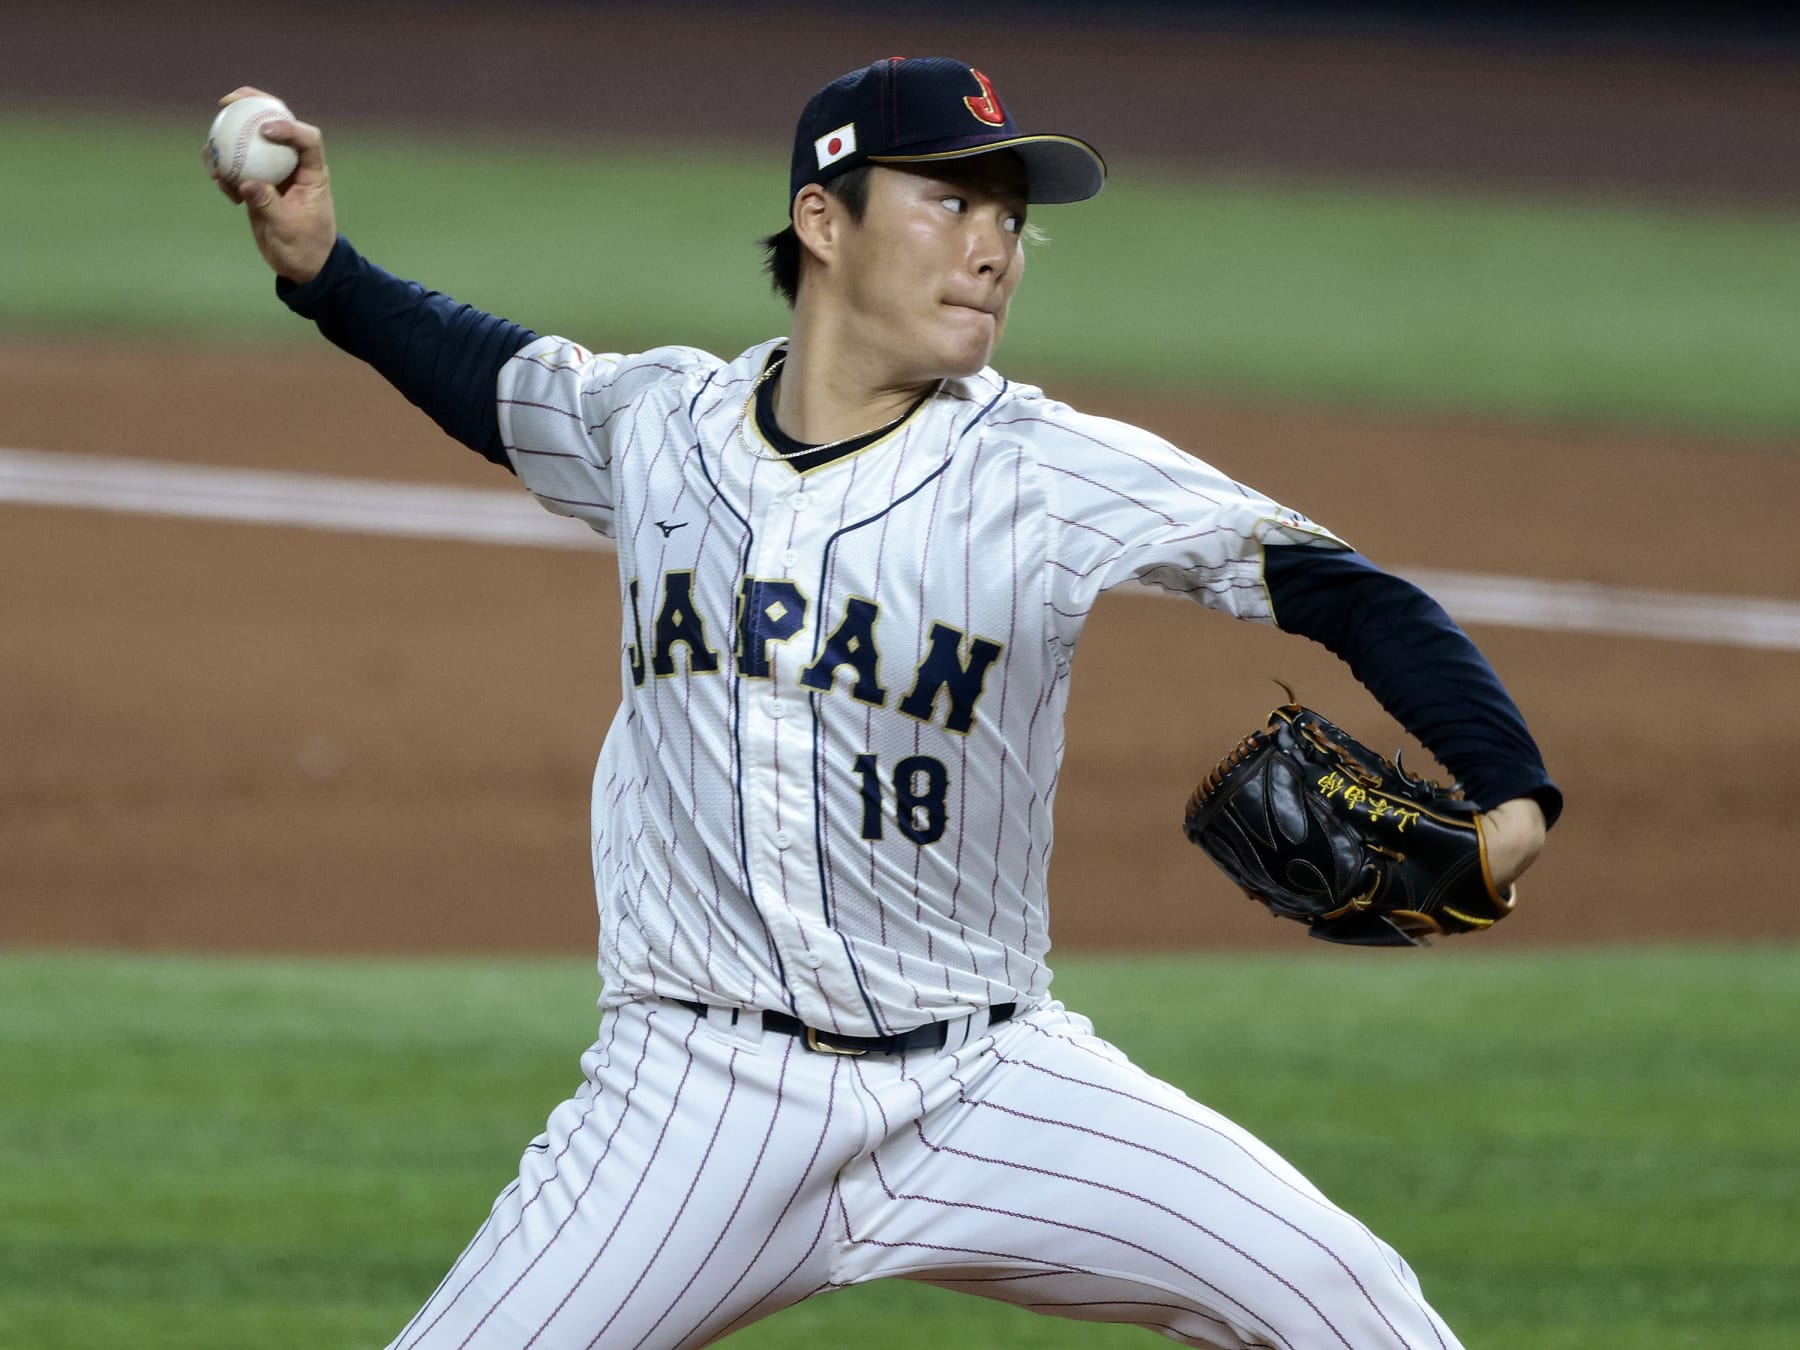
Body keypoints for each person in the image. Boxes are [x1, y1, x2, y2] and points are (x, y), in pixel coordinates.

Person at [215, 57, 1558, 1350]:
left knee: (1348, 1297)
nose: (994, 246)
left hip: (988, 1082)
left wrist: (1511, 798)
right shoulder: (660, 427)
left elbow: (1349, 592)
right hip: (696, 1096)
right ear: (824, 221)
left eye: (1013, 217)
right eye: (952, 200)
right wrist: (324, 271)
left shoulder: (1040, 469)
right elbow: (487, 377)